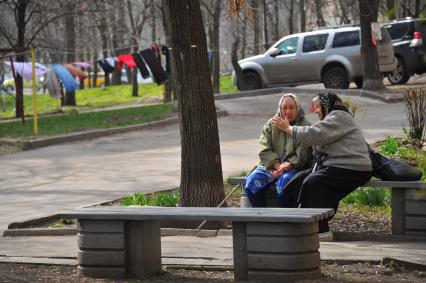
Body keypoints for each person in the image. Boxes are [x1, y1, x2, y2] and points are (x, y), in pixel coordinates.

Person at [273, 92, 373, 234]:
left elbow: (313, 135)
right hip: (336, 165)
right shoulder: (331, 118)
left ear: (327, 105)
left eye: (318, 107)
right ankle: (299, 221)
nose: (316, 111)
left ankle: (320, 229)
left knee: (314, 182)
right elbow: (318, 143)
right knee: (295, 182)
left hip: (354, 168)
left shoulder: (339, 116)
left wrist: (287, 128)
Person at [244, 93, 312, 207]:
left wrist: (288, 165)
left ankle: (282, 219)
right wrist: (277, 166)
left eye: (292, 107)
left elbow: (305, 151)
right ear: (279, 109)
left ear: (298, 108)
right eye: (284, 108)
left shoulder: (305, 126)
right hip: (270, 166)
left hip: (294, 167)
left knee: (285, 184)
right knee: (251, 184)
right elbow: (264, 149)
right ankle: (263, 217)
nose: (288, 112)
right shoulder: (271, 125)